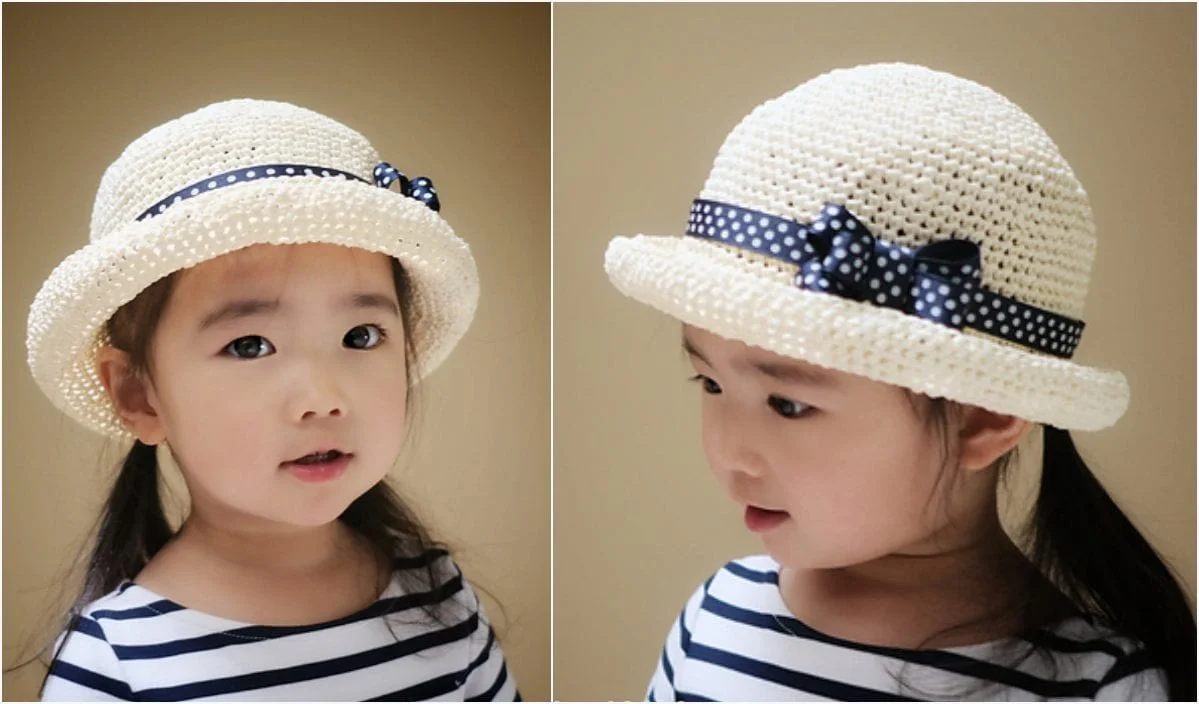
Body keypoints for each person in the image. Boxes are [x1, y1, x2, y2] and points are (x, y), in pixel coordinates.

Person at [604, 62, 1194, 701]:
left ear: (983, 417)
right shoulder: (717, 614)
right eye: (710, 384)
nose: (728, 455)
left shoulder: (1097, 684)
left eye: (788, 403)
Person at [24, 98, 519, 701]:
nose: (321, 399)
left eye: (360, 337)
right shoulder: (115, 666)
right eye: (250, 345)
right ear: (139, 393)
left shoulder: (438, 595)